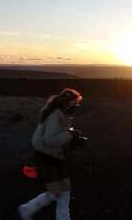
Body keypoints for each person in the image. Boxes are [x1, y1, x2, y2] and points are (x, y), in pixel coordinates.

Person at [18, 88, 85, 220]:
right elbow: (50, 140)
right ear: (66, 103)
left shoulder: (61, 115)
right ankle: (27, 209)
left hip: (55, 156)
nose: (76, 107)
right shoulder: (55, 116)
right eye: (74, 104)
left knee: (65, 190)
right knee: (56, 193)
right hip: (45, 158)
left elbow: (57, 137)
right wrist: (70, 134)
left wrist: (72, 139)